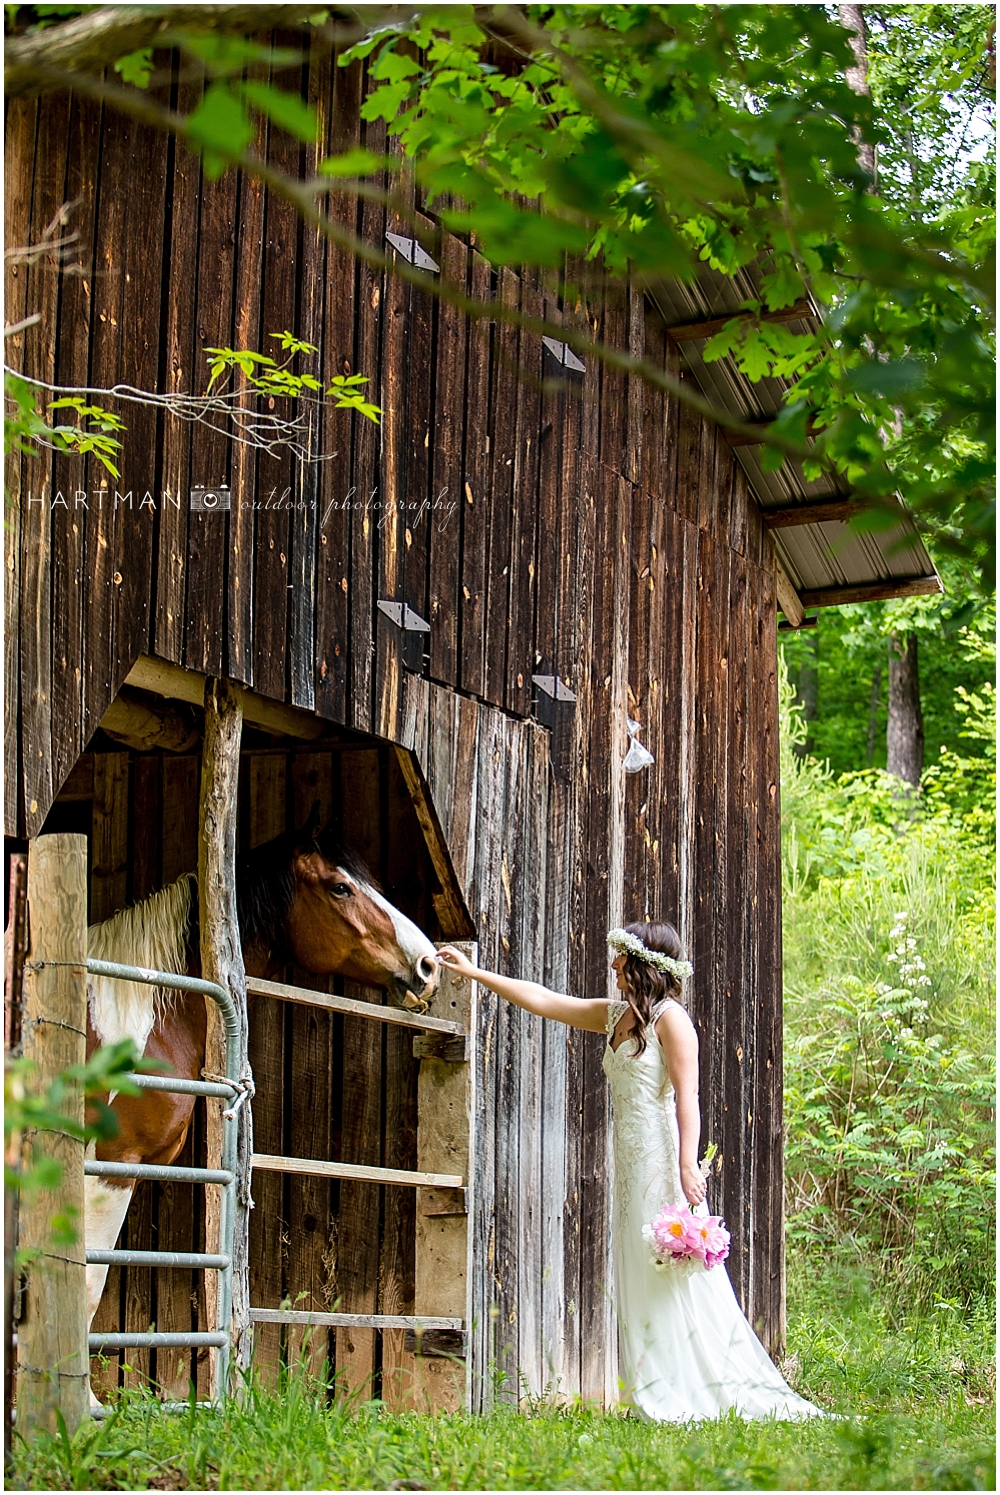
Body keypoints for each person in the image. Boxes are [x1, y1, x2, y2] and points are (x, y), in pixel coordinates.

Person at [436, 921, 826, 1422]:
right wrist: (475, 974)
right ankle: (653, 1388)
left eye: (621, 957)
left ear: (643, 965)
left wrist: (688, 1167)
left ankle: (695, 1389)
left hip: (662, 1165)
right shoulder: (615, 1015)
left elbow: (689, 1098)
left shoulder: (672, 1020)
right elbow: (544, 1000)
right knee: (639, 1271)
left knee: (675, 1274)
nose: (613, 964)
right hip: (628, 1163)